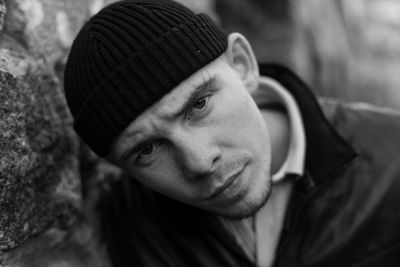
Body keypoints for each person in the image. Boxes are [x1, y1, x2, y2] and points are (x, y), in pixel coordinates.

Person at [63, 0, 400, 266]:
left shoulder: (392, 156)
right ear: (121, 167)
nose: (199, 162)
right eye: (148, 149)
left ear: (241, 64)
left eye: (198, 105)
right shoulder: (131, 225)